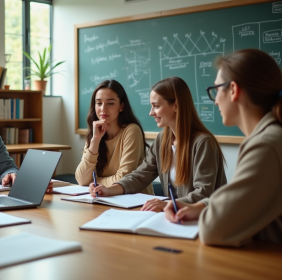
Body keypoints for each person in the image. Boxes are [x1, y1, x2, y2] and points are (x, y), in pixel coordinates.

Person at [165, 49, 282, 246]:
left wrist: (206, 212)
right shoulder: (269, 137)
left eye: (217, 89)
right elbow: (245, 200)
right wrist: (201, 206)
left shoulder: (266, 145)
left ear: (234, 90)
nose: (216, 99)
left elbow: (213, 230)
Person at [90, 77, 227, 212]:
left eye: (156, 106)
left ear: (176, 105)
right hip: (177, 217)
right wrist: (109, 190)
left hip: (207, 221)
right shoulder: (163, 139)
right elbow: (140, 175)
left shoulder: (203, 143)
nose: (151, 113)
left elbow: (203, 193)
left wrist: (167, 204)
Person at [75, 80, 153, 194]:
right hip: (107, 197)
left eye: (110, 103)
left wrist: (94, 182)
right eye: (98, 103)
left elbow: (124, 178)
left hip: (136, 201)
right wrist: (95, 140)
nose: (103, 108)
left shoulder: (131, 130)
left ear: (121, 106)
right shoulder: (95, 133)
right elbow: (81, 180)